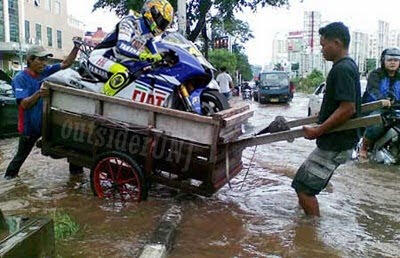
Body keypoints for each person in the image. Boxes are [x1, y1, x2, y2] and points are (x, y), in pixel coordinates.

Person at [291, 22, 361, 216]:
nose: (321, 50)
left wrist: (317, 131)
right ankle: (304, 224)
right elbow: (339, 105)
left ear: (336, 43)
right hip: (338, 142)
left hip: (336, 144)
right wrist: (319, 119)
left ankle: (311, 237)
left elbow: (348, 108)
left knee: (303, 189)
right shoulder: (347, 66)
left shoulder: (342, 69)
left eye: (323, 45)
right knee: (304, 184)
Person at [4, 44, 80, 180]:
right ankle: (8, 180)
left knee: (70, 146)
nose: (44, 63)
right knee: (20, 158)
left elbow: (66, 63)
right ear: (30, 60)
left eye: (45, 59)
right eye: (41, 60)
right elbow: (24, 104)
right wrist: (39, 93)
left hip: (45, 121)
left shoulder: (45, 71)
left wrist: (76, 47)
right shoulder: (20, 79)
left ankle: (76, 178)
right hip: (29, 126)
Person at [87, 0, 174, 97]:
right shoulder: (130, 22)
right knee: (122, 74)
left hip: (115, 62)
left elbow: (155, 54)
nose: (162, 27)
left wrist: (164, 59)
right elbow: (121, 46)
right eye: (162, 22)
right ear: (152, 14)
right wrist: (143, 56)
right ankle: (102, 101)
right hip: (99, 58)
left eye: (164, 25)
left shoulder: (148, 35)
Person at [359, 48, 400, 159]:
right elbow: (373, 90)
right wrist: (383, 100)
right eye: (389, 59)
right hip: (375, 107)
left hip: (396, 109)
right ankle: (363, 148)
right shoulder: (375, 74)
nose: (393, 62)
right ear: (383, 61)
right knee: (376, 122)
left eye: (396, 60)